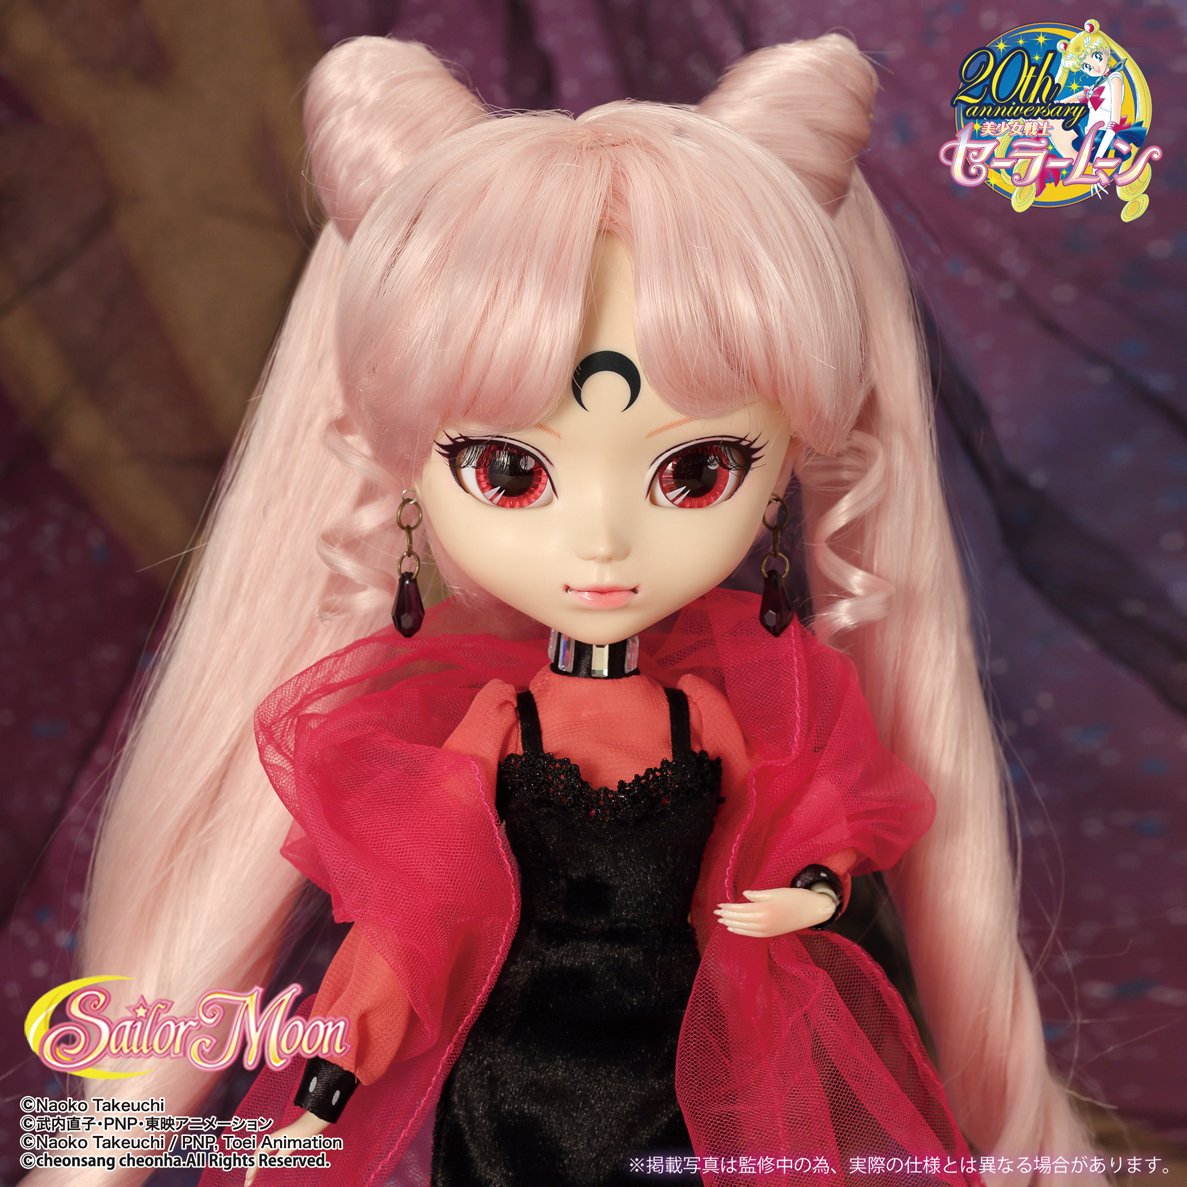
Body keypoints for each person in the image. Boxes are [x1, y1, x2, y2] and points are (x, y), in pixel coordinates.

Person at [37, 33, 1101, 1187]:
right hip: (524, 1094)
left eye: (693, 471)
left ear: (784, 468)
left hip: (695, 1071)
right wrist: (321, 1095)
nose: (600, 541)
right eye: (509, 472)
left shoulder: (710, 715)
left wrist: (809, 888)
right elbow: (408, 929)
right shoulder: (497, 727)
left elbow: (806, 815)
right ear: (402, 473)